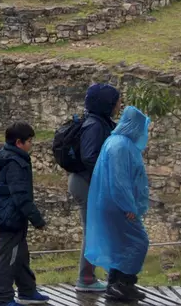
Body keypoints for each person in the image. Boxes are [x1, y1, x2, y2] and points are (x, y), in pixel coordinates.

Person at [84, 106, 152, 302]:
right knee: (139, 242)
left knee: (119, 244)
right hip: (118, 205)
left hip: (112, 204)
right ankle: (123, 284)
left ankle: (115, 285)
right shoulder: (120, 146)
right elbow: (119, 180)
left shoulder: (117, 143)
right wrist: (128, 206)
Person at [0, 123, 51, 306]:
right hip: (10, 216)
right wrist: (37, 220)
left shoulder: (4, 157)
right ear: (19, 142)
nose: (31, 145)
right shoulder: (15, 163)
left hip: (5, 212)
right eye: (29, 141)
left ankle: (27, 290)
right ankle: (3, 298)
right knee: (8, 258)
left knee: (20, 253)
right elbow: (21, 196)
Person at [69, 84, 121, 292]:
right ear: (106, 103)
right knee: (92, 232)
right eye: (116, 101)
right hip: (85, 183)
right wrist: (108, 174)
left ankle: (94, 276)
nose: (119, 105)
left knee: (97, 230)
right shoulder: (95, 125)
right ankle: (86, 279)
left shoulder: (101, 122)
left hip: (87, 182)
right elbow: (90, 156)